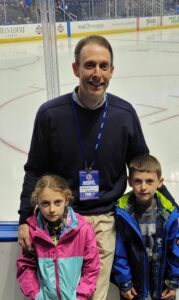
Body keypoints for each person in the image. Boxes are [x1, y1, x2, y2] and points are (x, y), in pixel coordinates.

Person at [18, 34, 150, 300]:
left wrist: (169, 212)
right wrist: (24, 219)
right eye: (89, 65)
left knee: (92, 295)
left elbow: (143, 168)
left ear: (112, 70)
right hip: (62, 220)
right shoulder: (50, 115)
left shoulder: (124, 115)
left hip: (105, 220)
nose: (96, 73)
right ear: (76, 69)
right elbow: (35, 170)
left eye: (104, 66)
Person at [17, 174, 100, 300]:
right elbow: (25, 267)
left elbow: (91, 268)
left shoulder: (83, 230)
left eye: (57, 202)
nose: (52, 209)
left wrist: (80, 297)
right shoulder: (33, 232)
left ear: (66, 200)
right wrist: (36, 295)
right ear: (37, 202)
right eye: (45, 203)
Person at [112, 154, 179, 300]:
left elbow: (175, 250)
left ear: (160, 182)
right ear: (129, 182)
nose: (143, 187)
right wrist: (124, 282)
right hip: (133, 286)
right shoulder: (122, 213)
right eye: (137, 181)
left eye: (149, 181)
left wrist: (174, 282)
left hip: (162, 286)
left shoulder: (170, 214)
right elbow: (118, 251)